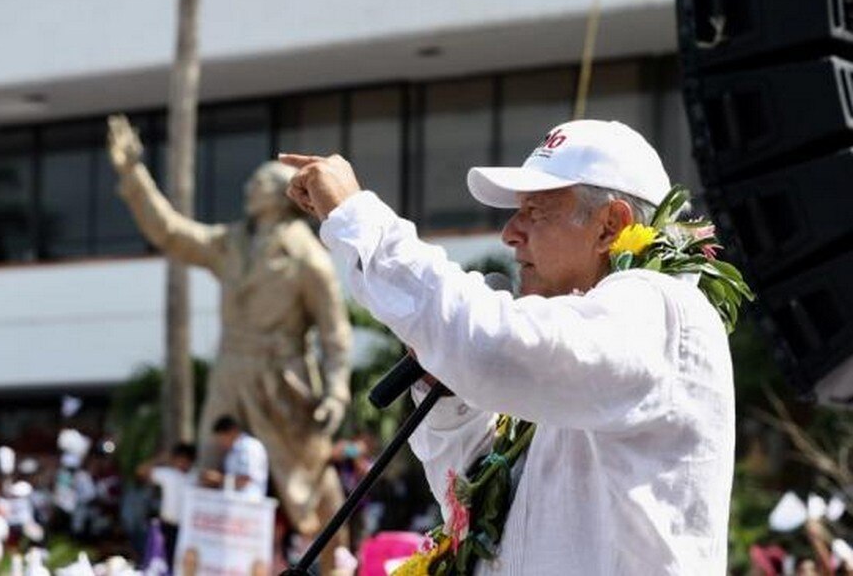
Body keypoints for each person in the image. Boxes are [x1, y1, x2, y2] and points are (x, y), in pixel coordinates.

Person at [281, 119, 736, 574]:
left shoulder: (660, 309)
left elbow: (494, 348)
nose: (510, 233)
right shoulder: (580, 345)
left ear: (610, 226)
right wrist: (450, 396)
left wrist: (358, 219)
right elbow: (476, 514)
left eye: (535, 212)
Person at [107, 114, 353, 570]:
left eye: (259, 180)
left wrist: (336, 390)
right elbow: (172, 232)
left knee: (308, 484)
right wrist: (132, 174)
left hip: (284, 383)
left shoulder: (306, 257)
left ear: (280, 195)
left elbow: (334, 332)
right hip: (230, 375)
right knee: (209, 478)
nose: (249, 187)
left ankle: (339, 562)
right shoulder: (230, 243)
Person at [137, 443, 197, 563]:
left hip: (187, 528)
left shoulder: (195, 477)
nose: (182, 463)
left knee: (181, 561)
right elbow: (141, 471)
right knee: (164, 559)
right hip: (167, 526)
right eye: (179, 459)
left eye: (185, 460)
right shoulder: (167, 474)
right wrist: (159, 459)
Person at [200, 415, 269, 500]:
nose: (221, 444)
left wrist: (219, 479)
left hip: (249, 503)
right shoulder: (231, 452)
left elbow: (245, 480)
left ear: (232, 432)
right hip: (235, 502)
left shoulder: (248, 447)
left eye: (222, 439)